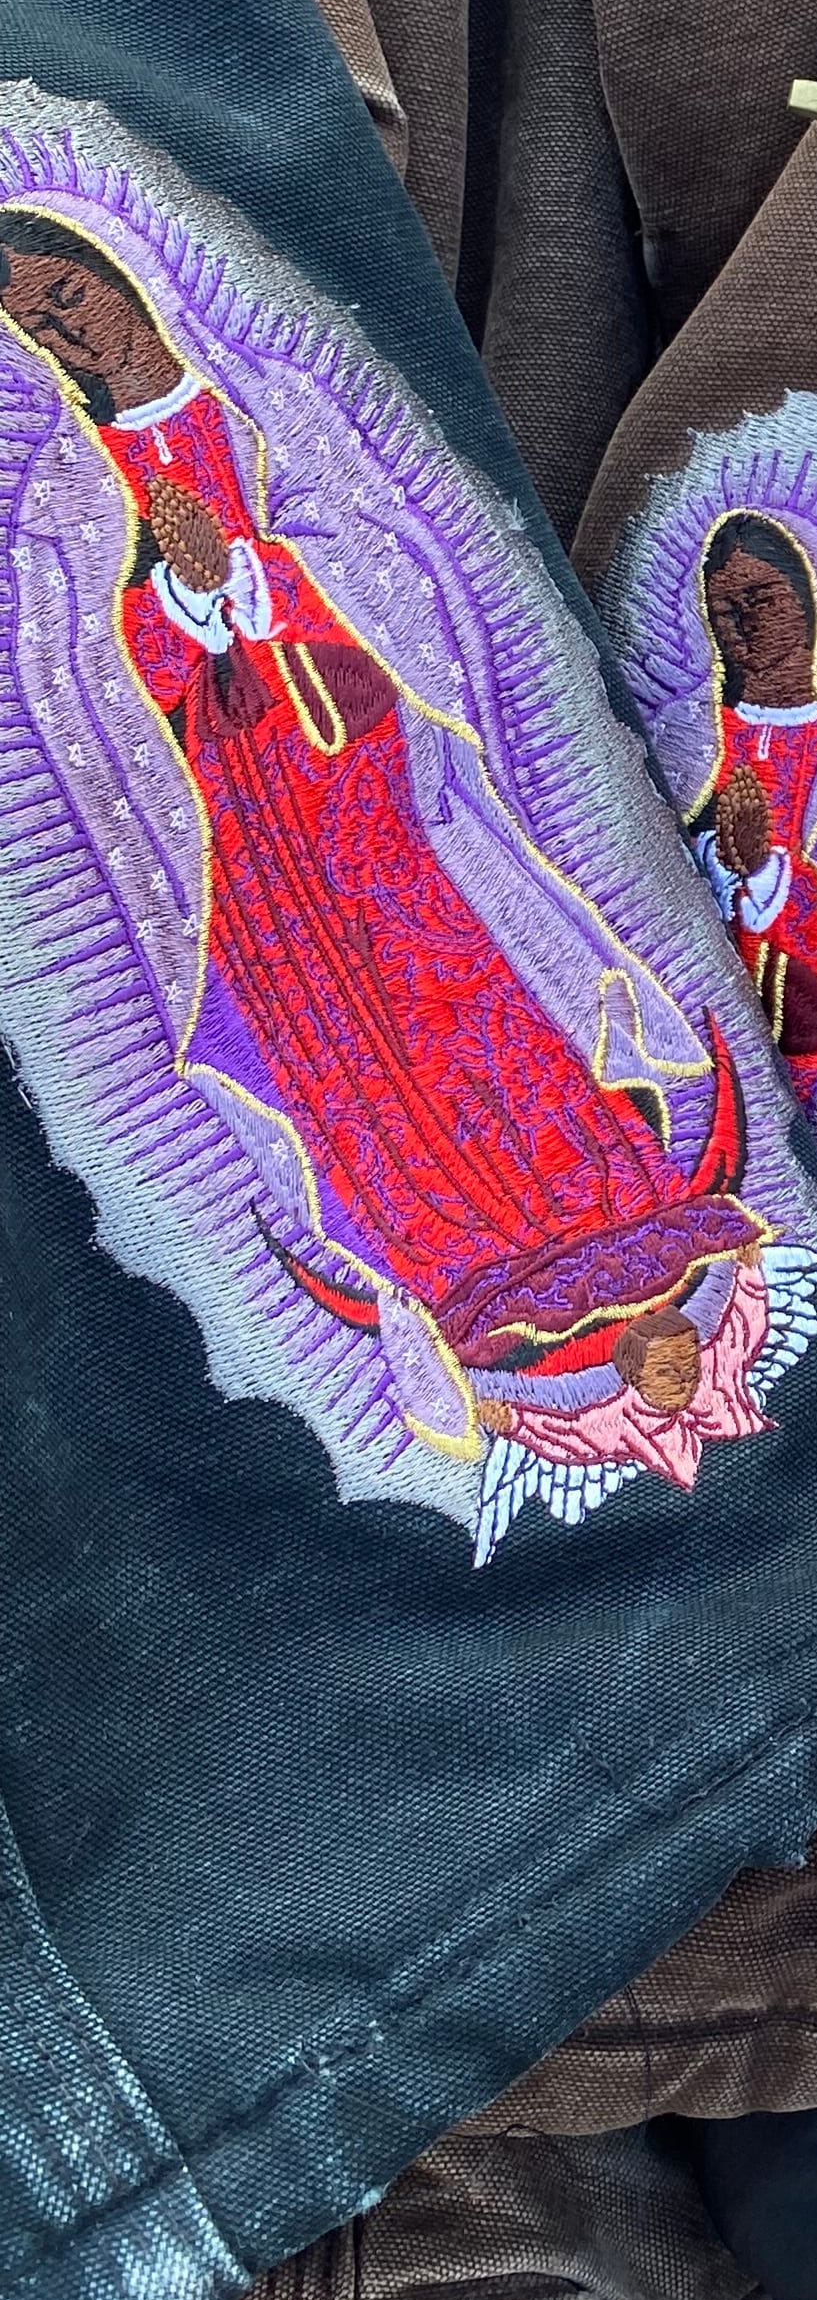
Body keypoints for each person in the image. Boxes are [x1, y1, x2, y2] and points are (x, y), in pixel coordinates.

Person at [0, 206, 761, 1424]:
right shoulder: (64, 498)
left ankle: (588, 1199)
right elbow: (83, 686)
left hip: (371, 781)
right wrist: (178, 606)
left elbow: (394, 569)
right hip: (237, 823)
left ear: (118, 281)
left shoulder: (268, 408)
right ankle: (444, 1249)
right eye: (34, 324)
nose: (63, 333)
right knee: (329, 1038)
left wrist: (251, 578)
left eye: (67, 298)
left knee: (453, 986)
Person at [689, 512, 817, 1108]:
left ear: (806, 598)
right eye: (724, 611)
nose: (741, 626)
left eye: (760, 600)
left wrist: (763, 871)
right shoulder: (710, 736)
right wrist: (725, 856)